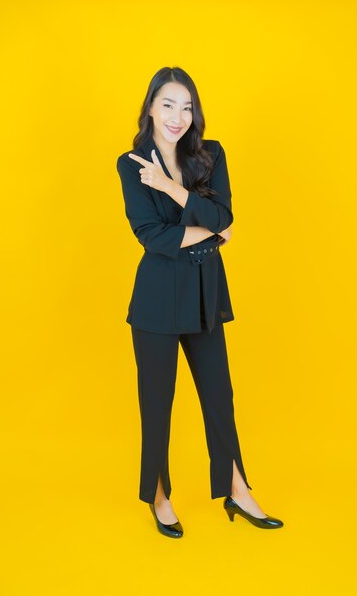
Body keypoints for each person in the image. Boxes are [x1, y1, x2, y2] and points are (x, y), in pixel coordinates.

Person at [116, 66, 284, 538]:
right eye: (168, 104)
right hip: (156, 301)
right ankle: (160, 497)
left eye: (186, 106)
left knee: (219, 398)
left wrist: (172, 189)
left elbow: (226, 220)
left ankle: (236, 488)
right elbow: (153, 236)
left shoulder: (210, 154)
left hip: (206, 295)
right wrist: (209, 231)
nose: (178, 116)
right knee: (158, 403)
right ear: (150, 107)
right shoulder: (131, 163)